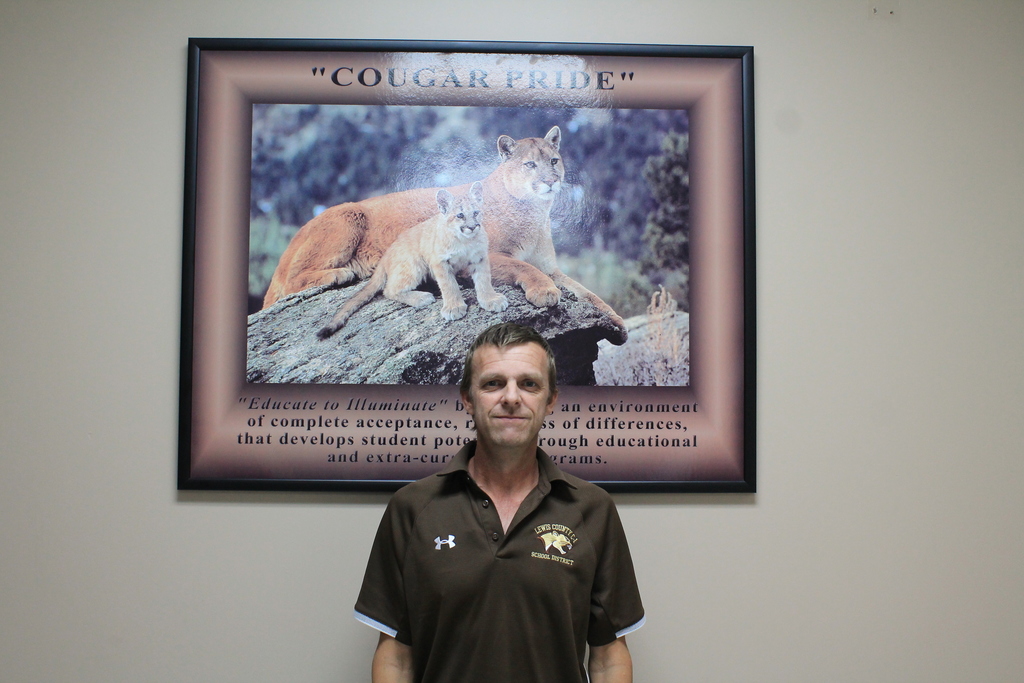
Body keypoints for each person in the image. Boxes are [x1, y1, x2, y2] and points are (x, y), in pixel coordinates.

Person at [354, 323, 644, 683]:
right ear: (467, 398)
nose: (511, 397)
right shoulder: (412, 507)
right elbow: (396, 658)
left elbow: (608, 658)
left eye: (529, 384)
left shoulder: (592, 509)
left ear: (550, 400)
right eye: (493, 383)